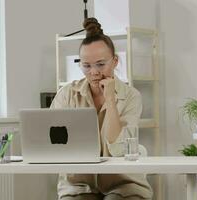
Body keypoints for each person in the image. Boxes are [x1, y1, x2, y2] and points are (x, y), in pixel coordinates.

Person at [50, 18, 153, 200]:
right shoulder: (66, 95)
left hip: (124, 185)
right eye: (86, 66)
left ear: (115, 61)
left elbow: (119, 149)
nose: (94, 72)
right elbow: (52, 144)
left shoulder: (131, 97)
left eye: (100, 64)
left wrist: (111, 101)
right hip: (79, 186)